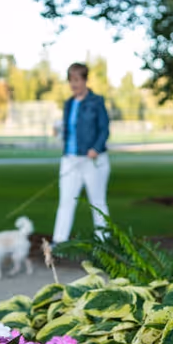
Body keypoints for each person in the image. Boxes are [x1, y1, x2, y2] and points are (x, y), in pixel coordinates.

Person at [51, 62, 111, 244]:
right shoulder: (68, 104)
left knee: (97, 203)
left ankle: (104, 243)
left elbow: (104, 130)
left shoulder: (96, 101)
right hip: (70, 160)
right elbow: (71, 131)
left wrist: (96, 148)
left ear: (85, 80)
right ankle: (59, 243)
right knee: (66, 202)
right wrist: (58, 132)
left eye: (77, 80)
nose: (73, 84)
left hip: (93, 161)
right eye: (71, 80)